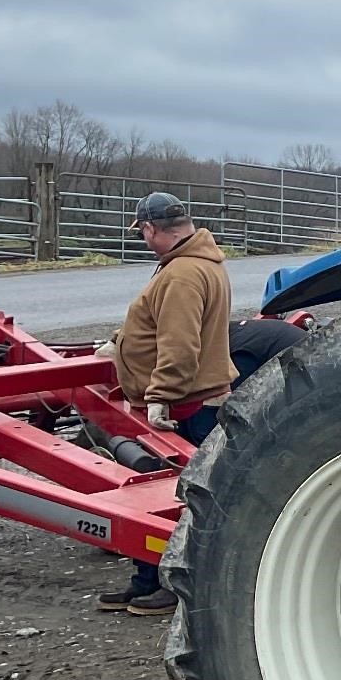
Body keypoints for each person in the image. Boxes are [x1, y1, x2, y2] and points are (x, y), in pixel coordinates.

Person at [96, 192, 234, 617]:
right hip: (194, 401)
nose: (142, 239)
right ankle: (146, 580)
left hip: (186, 408)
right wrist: (119, 345)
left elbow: (179, 345)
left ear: (152, 228)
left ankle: (172, 587)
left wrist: (160, 397)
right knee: (162, 491)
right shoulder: (193, 265)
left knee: (176, 497)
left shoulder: (182, 275)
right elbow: (159, 327)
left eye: (142, 232)